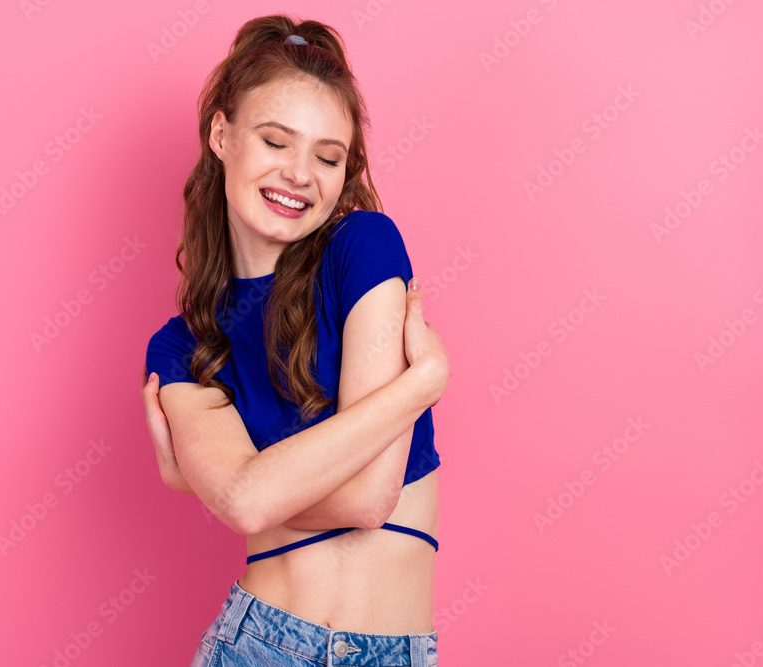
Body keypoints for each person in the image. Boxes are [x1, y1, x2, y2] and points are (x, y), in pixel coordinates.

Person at [142, 15, 450, 666]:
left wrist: (219, 486)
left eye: (328, 156)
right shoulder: (183, 348)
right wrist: (419, 385)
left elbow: (371, 495)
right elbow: (251, 499)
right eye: (276, 141)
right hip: (256, 645)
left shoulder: (363, 248)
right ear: (222, 135)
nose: (300, 173)